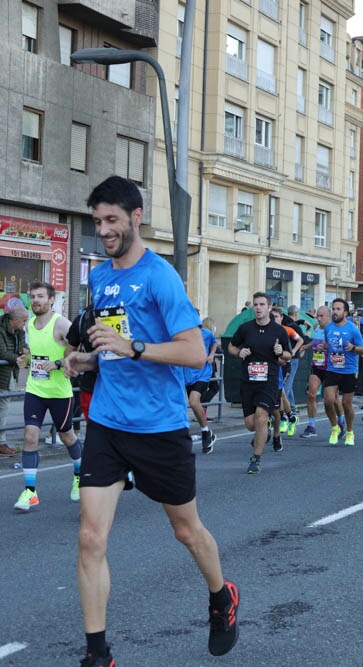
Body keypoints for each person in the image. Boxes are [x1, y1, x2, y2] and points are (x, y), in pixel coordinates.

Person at [64, 176, 238, 666]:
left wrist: (132, 346)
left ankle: (221, 596)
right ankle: (98, 655)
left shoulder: (161, 276)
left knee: (187, 531)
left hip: (158, 427)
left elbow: (192, 350)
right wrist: (90, 360)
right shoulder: (100, 277)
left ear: (136, 217)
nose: (104, 230)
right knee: (89, 537)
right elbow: (111, 346)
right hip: (108, 423)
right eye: (98, 222)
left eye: (112, 220)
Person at [14, 281, 82, 511]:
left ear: (52, 300)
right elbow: (34, 354)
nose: (36, 301)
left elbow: (79, 354)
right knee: (30, 436)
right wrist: (26, 360)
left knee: (67, 437)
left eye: (41, 296)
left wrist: (57, 363)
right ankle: (30, 491)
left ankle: (79, 475)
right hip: (35, 389)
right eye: (33, 297)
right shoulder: (30, 325)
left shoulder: (62, 324)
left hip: (59, 392)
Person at [229, 293, 291, 473]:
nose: (258, 308)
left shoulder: (278, 330)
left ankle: (255, 459)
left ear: (269, 308)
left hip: (269, 381)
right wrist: (238, 352)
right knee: (251, 424)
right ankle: (265, 428)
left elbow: (289, 355)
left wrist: (281, 351)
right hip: (248, 381)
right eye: (255, 304)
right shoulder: (245, 328)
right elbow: (232, 346)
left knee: (261, 416)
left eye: (262, 304)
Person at [322, 298, 363, 446]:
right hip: (332, 369)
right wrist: (324, 347)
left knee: (346, 404)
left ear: (345, 312)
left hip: (349, 370)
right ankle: (335, 427)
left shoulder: (353, 329)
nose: (335, 312)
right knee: (328, 400)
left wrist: (353, 348)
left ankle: (350, 431)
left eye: (338, 309)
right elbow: (328, 343)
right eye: (333, 308)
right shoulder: (328, 328)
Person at [185, 317, 219, 454]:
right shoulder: (180, 335)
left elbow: (215, 343)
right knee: (193, 404)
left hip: (203, 373)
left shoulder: (206, 333)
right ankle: (207, 432)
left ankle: (205, 432)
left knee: (194, 401)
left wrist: (211, 355)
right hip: (187, 375)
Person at [0, 304, 29, 457]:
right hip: (3, 372)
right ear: (15, 320)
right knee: (3, 408)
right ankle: (1, 442)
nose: (25, 324)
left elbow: (24, 346)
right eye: (24, 321)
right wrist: (17, 357)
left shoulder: (20, 331)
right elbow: (2, 352)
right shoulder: (1, 328)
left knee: (4, 407)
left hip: (8, 374)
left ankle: (1, 441)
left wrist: (25, 351)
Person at [272, 306, 304, 441]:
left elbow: (300, 340)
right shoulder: (268, 331)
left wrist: (294, 351)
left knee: (282, 391)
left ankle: (286, 416)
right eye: (271, 317)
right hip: (272, 366)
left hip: (285, 364)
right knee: (280, 392)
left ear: (281, 318)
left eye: (276, 317)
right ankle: (289, 416)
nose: (274, 320)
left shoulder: (286, 330)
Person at [300, 305, 331, 438]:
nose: (318, 318)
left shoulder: (333, 330)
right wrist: (306, 346)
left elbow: (337, 345)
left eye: (321, 316)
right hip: (317, 366)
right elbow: (314, 341)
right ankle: (311, 425)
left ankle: (340, 422)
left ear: (328, 316)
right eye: (317, 315)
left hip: (330, 367)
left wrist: (326, 346)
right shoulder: (316, 328)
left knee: (331, 400)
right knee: (311, 394)